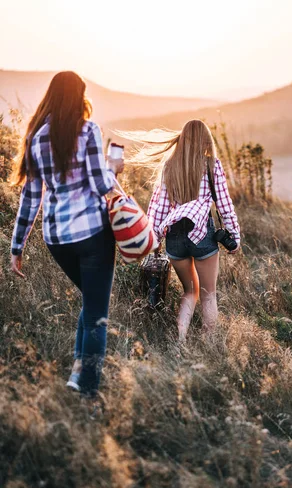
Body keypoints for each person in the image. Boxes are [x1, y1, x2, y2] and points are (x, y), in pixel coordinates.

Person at [10, 71, 123, 398]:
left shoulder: (36, 137)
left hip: (56, 238)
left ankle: (78, 374)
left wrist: (17, 246)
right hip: (92, 235)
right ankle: (87, 391)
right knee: (98, 316)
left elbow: (31, 198)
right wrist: (115, 169)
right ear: (78, 97)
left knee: (90, 303)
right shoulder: (88, 131)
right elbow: (102, 185)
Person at [134, 119, 240, 341]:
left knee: (189, 292)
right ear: (205, 140)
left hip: (175, 238)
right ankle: (209, 342)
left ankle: (180, 340)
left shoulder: (170, 166)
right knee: (209, 295)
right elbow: (224, 205)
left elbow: (159, 206)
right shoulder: (212, 166)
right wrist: (234, 237)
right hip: (203, 236)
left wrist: (155, 238)